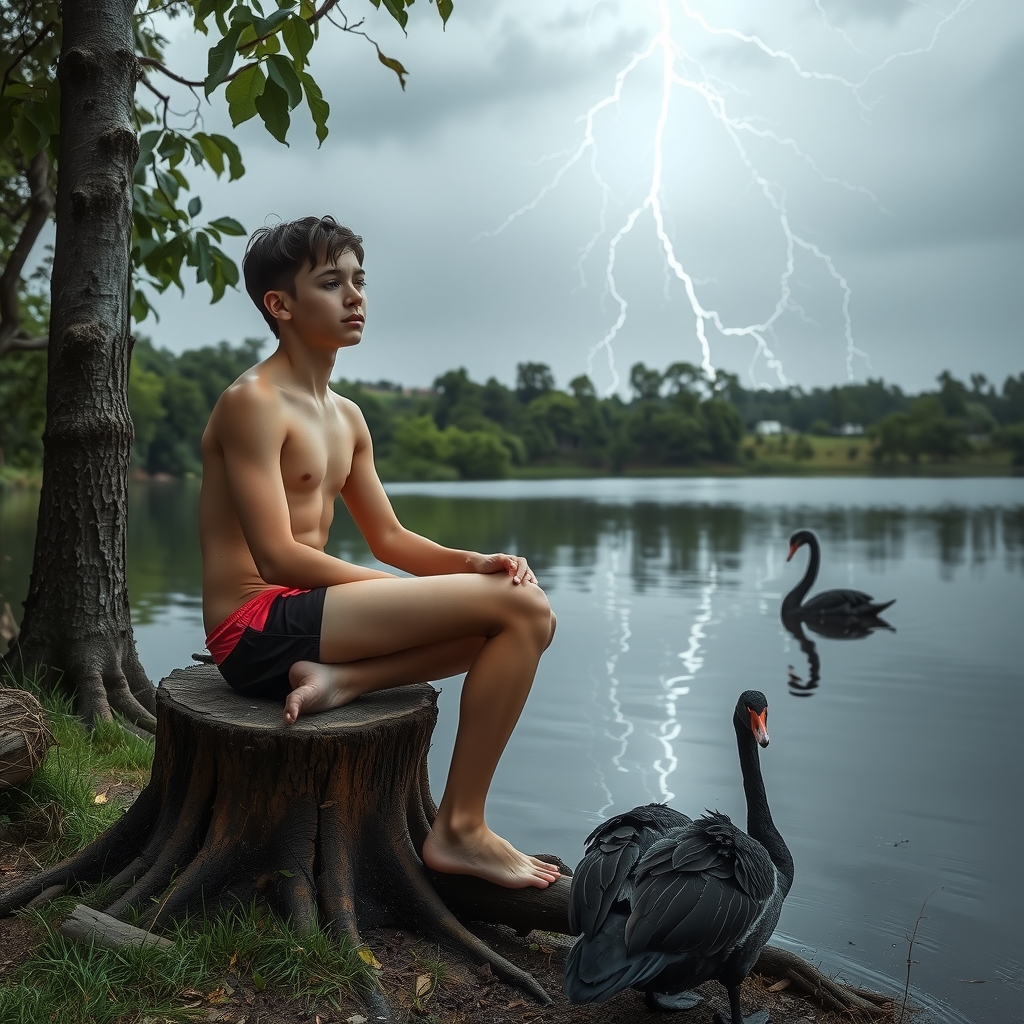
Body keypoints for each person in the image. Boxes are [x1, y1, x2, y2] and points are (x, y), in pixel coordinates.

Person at [199, 215, 559, 890]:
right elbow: (275, 557)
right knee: (525, 615)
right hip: (252, 629)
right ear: (280, 305)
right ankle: (459, 830)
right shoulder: (252, 402)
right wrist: (390, 593)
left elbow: (390, 538)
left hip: (309, 618)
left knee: (512, 618)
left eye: (360, 281)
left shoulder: (347, 416)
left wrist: (470, 564)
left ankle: (345, 682)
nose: (355, 296)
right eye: (331, 283)